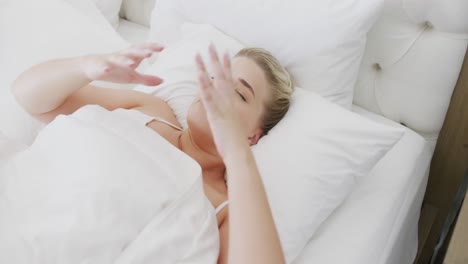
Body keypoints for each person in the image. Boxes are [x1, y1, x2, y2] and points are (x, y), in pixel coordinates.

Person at [11, 42, 295, 264]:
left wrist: (236, 152)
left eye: (240, 94)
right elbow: (30, 97)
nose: (217, 90)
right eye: (216, 78)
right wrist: (86, 67)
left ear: (253, 136)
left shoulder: (225, 209)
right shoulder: (148, 109)